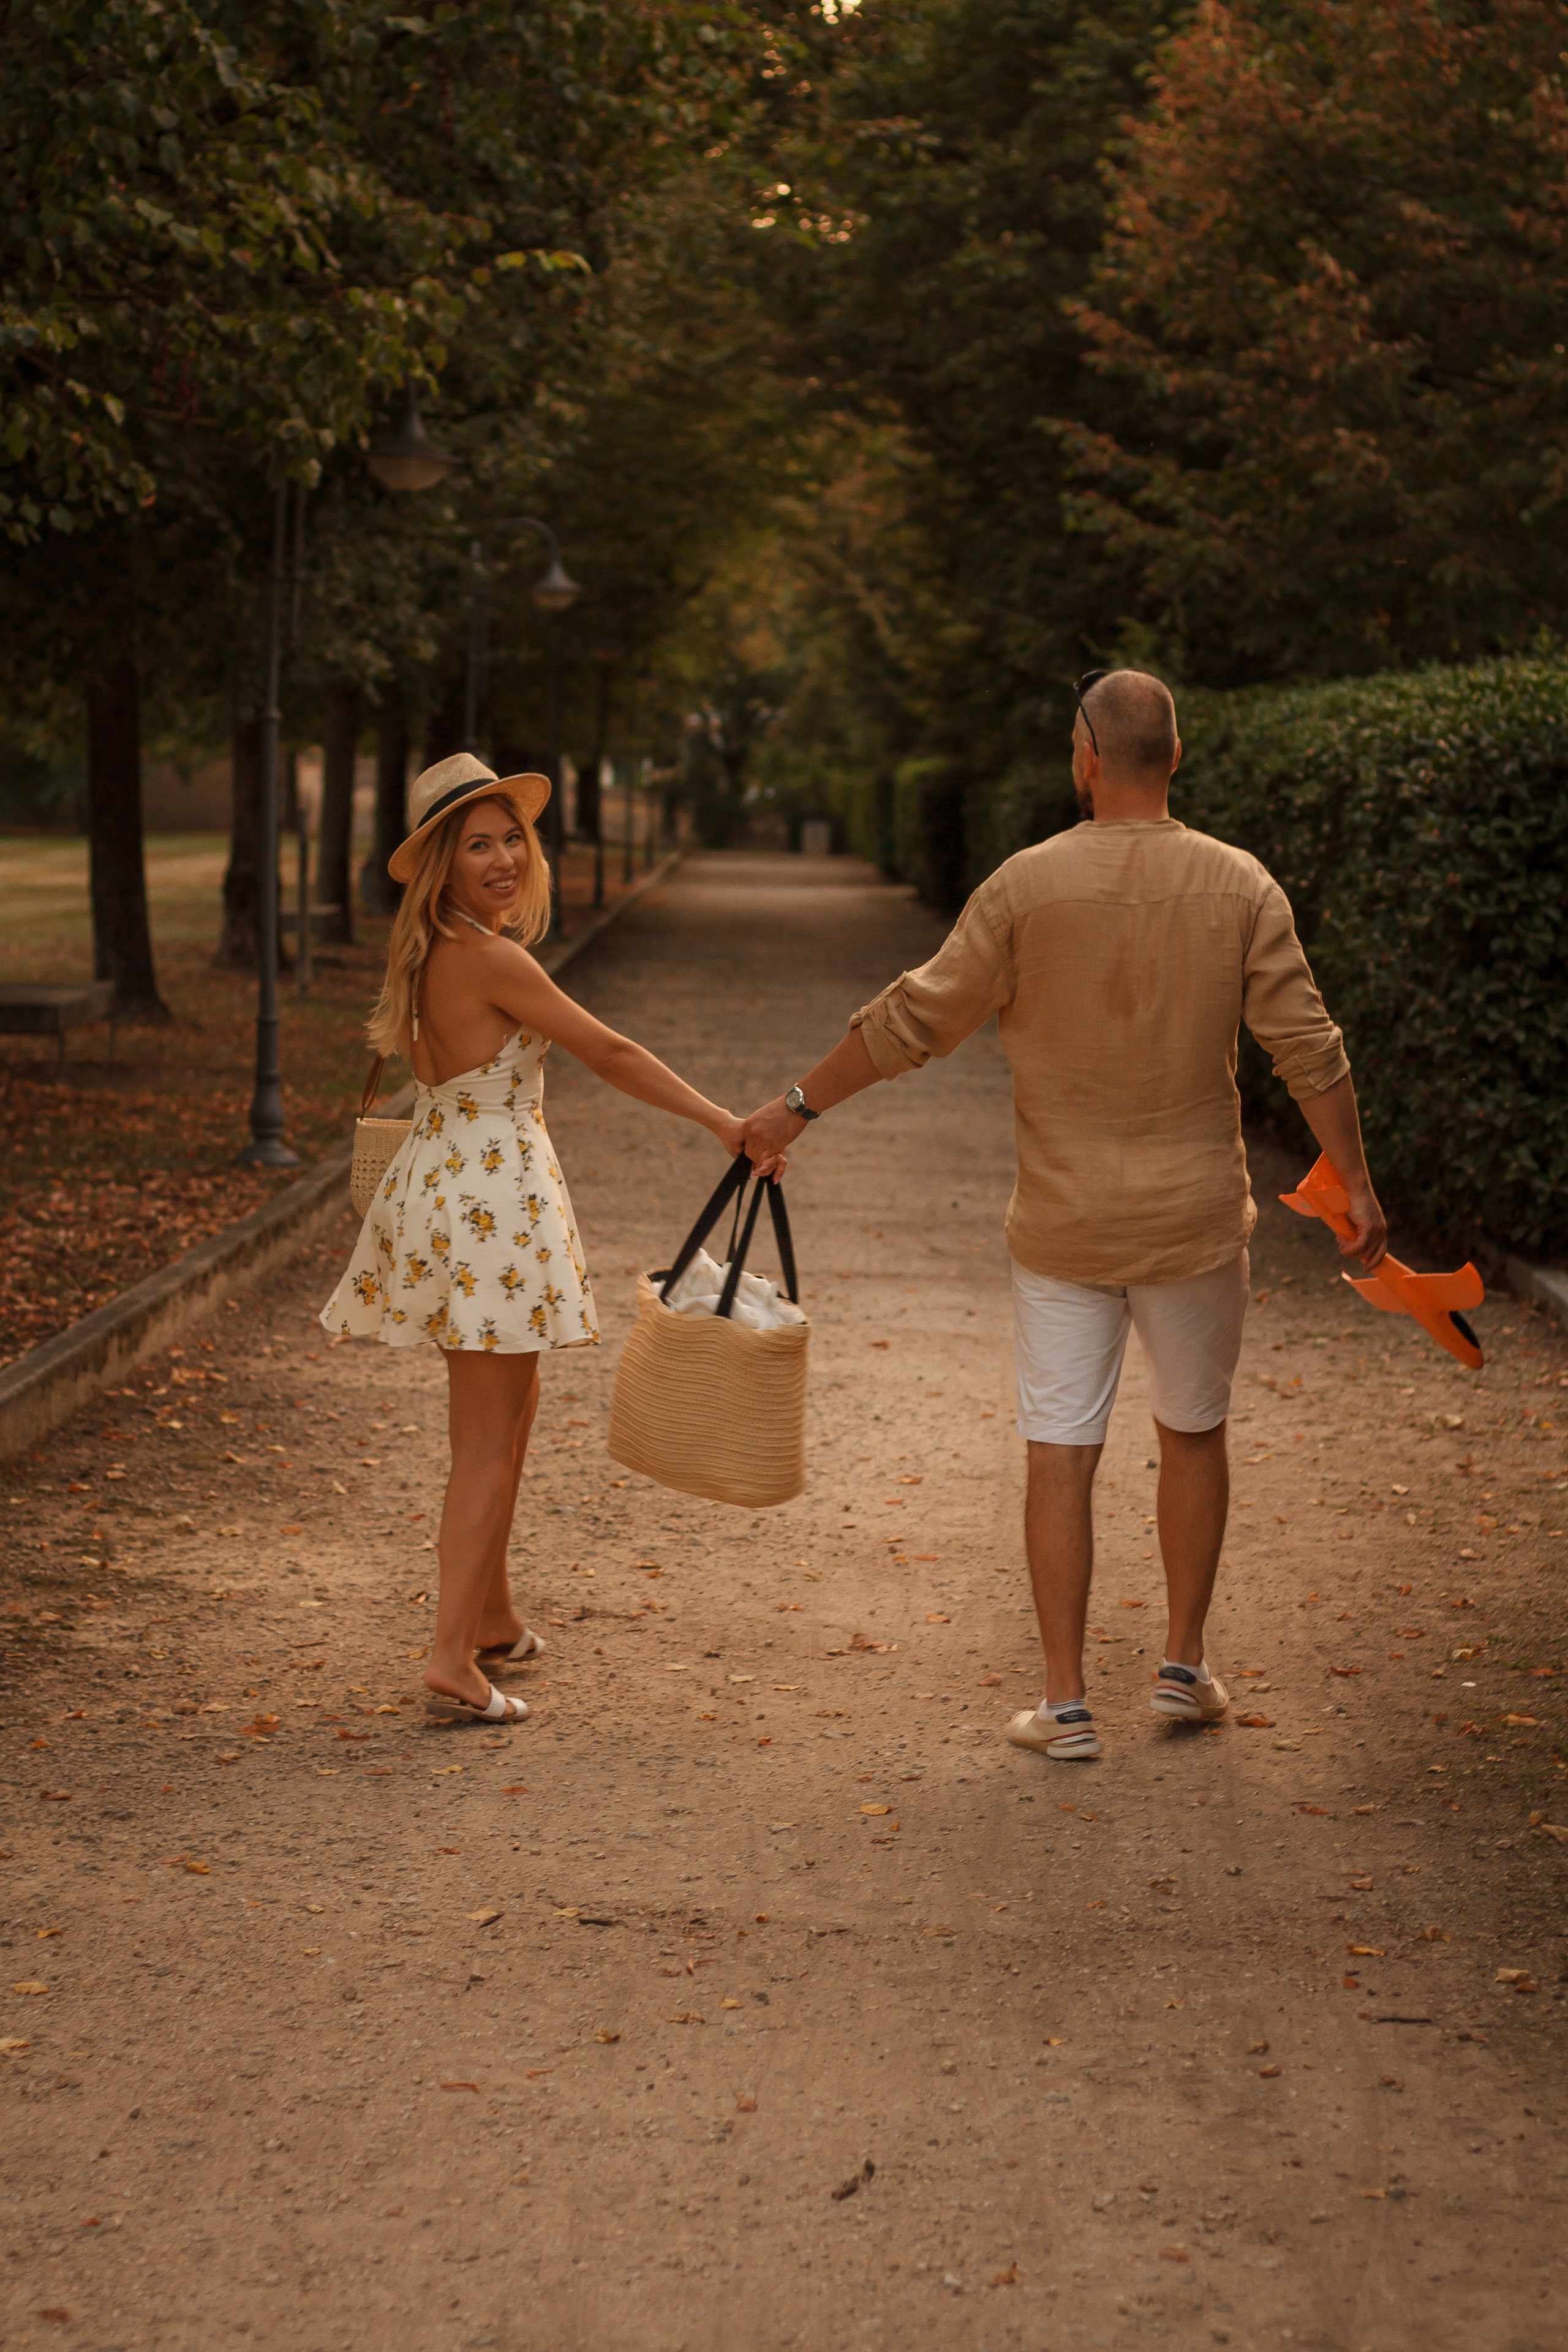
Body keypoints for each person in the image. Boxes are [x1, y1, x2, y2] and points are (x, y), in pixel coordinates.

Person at [740, 669, 1387, 1763]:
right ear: (1172, 758)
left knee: (1059, 1450)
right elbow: (1307, 1045)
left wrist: (794, 1108)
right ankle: (1182, 1669)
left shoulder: (1023, 889)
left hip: (1064, 1228)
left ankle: (1068, 1703)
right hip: (1192, 1223)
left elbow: (913, 1021)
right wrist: (1356, 1181)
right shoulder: (1241, 886)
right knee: (1193, 1431)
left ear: (1085, 759)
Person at [321, 753, 747, 1726]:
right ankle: (450, 1659)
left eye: (513, 837)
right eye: (479, 845)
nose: (505, 857)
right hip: (489, 1210)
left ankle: (493, 1617)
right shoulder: (487, 957)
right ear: (443, 863)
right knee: (485, 1443)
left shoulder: (433, 947)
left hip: (454, 1195)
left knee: (507, 1416)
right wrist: (722, 1120)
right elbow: (611, 1050)